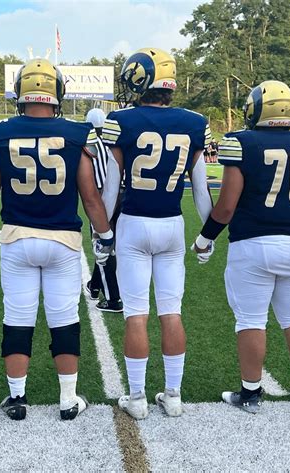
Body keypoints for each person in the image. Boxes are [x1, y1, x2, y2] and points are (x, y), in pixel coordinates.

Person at [0, 58, 113, 421]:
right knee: (64, 318)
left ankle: (17, 397)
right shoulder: (77, 134)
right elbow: (91, 198)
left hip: (18, 239)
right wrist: (106, 236)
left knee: (17, 317)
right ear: (57, 93)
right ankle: (67, 399)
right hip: (63, 241)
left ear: (20, 92)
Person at [101, 48, 213, 419]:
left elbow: (112, 188)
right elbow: (200, 189)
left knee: (136, 314)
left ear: (140, 80)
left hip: (133, 224)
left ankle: (137, 399)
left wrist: (102, 232)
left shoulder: (122, 120)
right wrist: (209, 234)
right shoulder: (194, 122)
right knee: (171, 312)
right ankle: (173, 396)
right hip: (172, 225)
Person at [192, 80, 290, 412]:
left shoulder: (242, 142)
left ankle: (251, 393)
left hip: (253, 246)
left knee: (250, 320)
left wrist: (204, 239)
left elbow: (226, 207)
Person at [85, 108, 123, 313]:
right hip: (124, 197)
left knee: (102, 245)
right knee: (107, 246)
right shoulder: (114, 141)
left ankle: (113, 298)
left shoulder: (91, 143)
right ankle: (94, 285)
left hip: (102, 198)